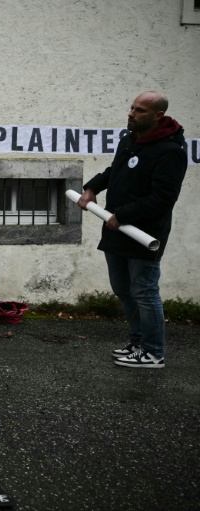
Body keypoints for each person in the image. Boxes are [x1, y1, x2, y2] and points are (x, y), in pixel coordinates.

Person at [77, 91, 187, 369]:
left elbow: (163, 198)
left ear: (157, 116)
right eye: (131, 108)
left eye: (139, 110)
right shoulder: (130, 140)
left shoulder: (170, 151)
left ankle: (153, 352)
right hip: (115, 230)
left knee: (145, 292)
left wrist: (122, 214)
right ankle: (138, 343)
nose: (131, 113)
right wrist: (91, 188)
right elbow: (116, 170)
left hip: (143, 235)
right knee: (123, 289)